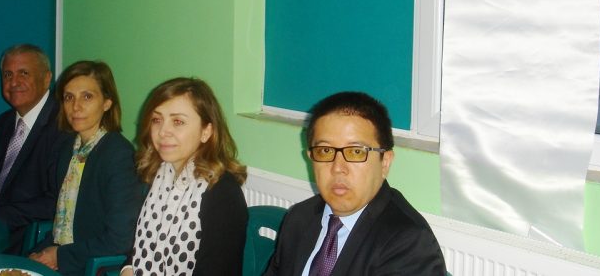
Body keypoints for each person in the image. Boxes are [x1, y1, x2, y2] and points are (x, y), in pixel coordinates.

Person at [264, 91, 446, 276]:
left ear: (385, 162)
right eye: (325, 150)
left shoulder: (408, 244)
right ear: (311, 158)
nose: (338, 168)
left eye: (356, 152)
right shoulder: (299, 217)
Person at [121, 77, 248, 276]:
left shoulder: (223, 193)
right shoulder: (163, 174)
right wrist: (127, 269)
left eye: (178, 122)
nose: (163, 132)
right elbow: (142, 246)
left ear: (206, 132)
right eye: (157, 120)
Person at [30, 61, 143, 276]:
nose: (76, 106)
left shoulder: (119, 156)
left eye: (87, 97)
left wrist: (59, 256)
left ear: (107, 103)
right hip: (64, 255)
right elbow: (63, 225)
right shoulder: (68, 149)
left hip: (92, 267)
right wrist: (37, 255)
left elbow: (120, 240)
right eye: (69, 97)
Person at [0, 44, 69, 254]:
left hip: (27, 239)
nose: (14, 82)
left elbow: (56, 200)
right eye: (7, 75)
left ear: (46, 79)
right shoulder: (4, 123)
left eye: (23, 73)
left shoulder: (63, 127)